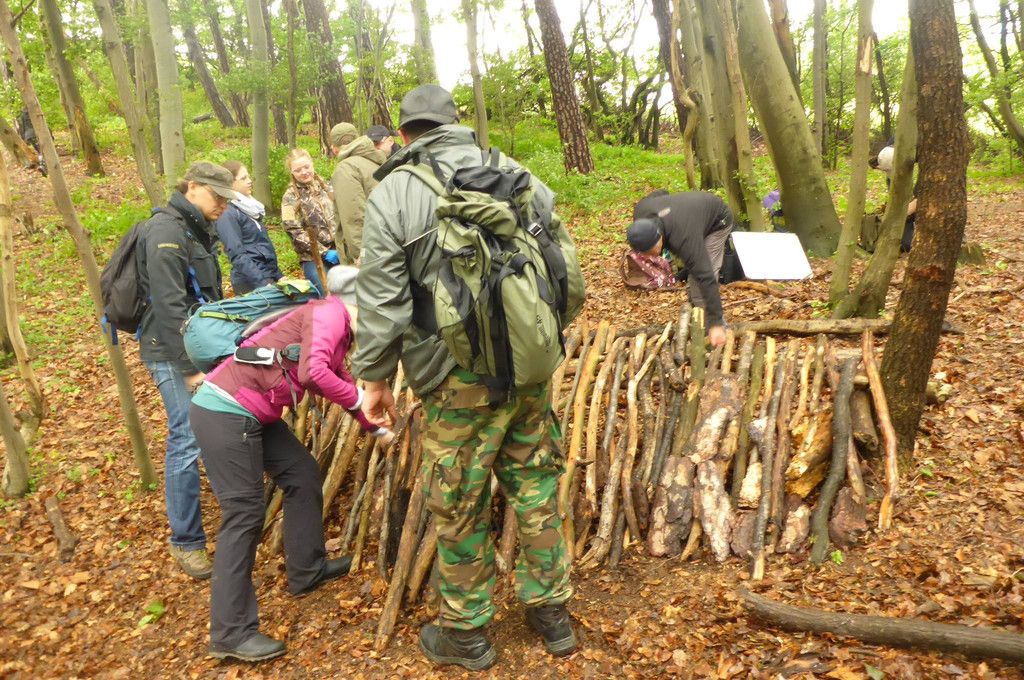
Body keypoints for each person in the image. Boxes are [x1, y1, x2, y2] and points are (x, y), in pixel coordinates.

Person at [353, 84, 581, 671]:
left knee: (457, 497)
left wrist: (373, 378)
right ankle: (552, 612)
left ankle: (466, 631)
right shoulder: (516, 172)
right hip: (528, 368)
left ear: (403, 134)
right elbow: (562, 267)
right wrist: (537, 337)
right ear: (456, 122)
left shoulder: (394, 192)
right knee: (535, 482)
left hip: (453, 376)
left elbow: (382, 300)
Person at [190, 265, 389, 662]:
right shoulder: (330, 315)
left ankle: (306, 569)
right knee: (243, 516)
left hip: (250, 413)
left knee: (301, 472)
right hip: (225, 412)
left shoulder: (334, 328)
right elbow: (314, 373)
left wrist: (377, 428)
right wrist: (360, 404)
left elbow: (339, 381)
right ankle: (230, 632)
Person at [137, 161, 234, 579]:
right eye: (217, 196)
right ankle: (186, 541)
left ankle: (235, 510)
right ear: (192, 187)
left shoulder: (195, 227)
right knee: (186, 437)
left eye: (227, 198)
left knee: (211, 427)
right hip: (172, 351)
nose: (223, 205)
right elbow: (169, 305)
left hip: (196, 346)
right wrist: (190, 367)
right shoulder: (166, 230)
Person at [627, 190, 733, 347]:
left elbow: (706, 276)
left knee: (699, 281)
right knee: (694, 264)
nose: (649, 256)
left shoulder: (684, 238)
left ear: (659, 237)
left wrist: (716, 322)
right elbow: (661, 192)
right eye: (643, 254)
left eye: (650, 251)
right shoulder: (641, 213)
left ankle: (714, 329)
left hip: (717, 221)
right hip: (691, 216)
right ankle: (697, 311)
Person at [215, 161, 284, 294]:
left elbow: (263, 247)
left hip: (267, 277)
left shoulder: (251, 209)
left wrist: (278, 275)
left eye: (248, 177)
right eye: (243, 178)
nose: (249, 181)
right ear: (231, 183)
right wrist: (262, 283)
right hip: (249, 283)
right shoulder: (227, 213)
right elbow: (237, 254)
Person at [280, 148, 338, 296]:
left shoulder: (326, 186)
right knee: (327, 296)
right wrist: (324, 252)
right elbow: (293, 232)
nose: (304, 172)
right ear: (292, 172)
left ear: (312, 164)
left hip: (339, 251)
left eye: (306, 167)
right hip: (313, 258)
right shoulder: (289, 197)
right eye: (298, 170)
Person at [328, 123, 387, 264]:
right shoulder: (375, 161)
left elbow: (354, 216)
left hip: (368, 252)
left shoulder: (346, 169)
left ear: (334, 148)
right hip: (385, 243)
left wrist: (360, 254)